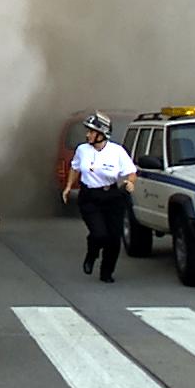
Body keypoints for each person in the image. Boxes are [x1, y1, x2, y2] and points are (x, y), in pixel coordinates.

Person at [62, 111, 136, 283]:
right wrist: (67, 187)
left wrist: (130, 182)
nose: (87, 134)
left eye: (91, 131)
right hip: (90, 197)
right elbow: (75, 168)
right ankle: (92, 255)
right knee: (99, 233)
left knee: (114, 238)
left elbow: (131, 172)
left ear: (101, 134)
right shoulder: (82, 150)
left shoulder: (117, 151)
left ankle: (106, 272)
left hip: (112, 196)